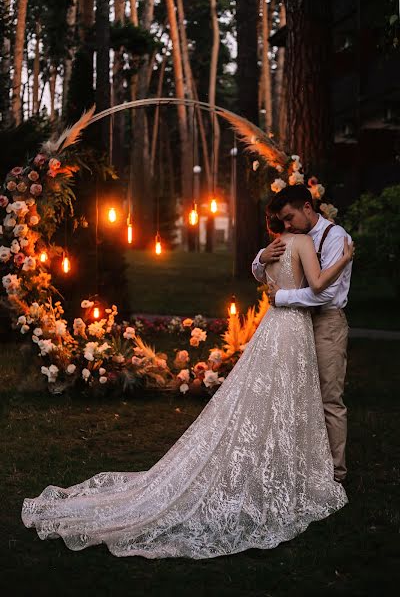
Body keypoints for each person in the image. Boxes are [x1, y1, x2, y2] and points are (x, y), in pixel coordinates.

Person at [22, 211, 353, 560]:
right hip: (294, 324)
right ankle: (298, 469)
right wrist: (344, 259)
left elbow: (263, 274)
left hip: (275, 325)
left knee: (275, 392)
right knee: (290, 395)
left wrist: (263, 265)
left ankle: (290, 464)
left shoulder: (270, 248)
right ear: (294, 216)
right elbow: (317, 286)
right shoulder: (301, 241)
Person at [252, 183, 353, 484]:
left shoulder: (335, 237)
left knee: (328, 397)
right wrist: (261, 257)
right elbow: (263, 270)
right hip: (296, 325)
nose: (285, 225)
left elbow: (325, 292)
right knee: (297, 395)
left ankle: (336, 471)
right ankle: (304, 462)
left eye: (289, 217)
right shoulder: (295, 238)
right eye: (282, 220)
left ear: (307, 208)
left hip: (325, 323)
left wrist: (281, 298)